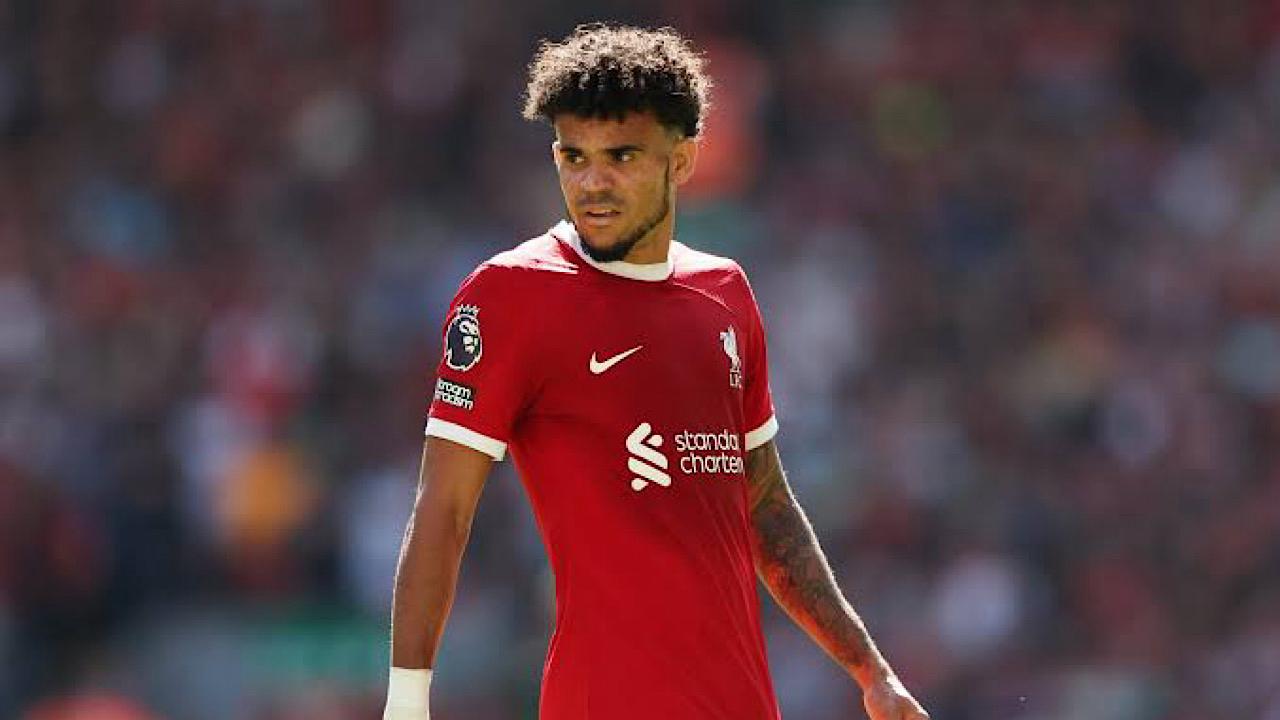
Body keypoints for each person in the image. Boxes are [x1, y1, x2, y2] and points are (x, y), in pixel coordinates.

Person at [383, 23, 929, 720]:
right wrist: (406, 702)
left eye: (622, 156)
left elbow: (766, 506)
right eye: (574, 157)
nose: (593, 182)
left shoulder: (725, 293)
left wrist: (871, 671)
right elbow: (443, 508)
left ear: (682, 160)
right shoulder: (512, 294)